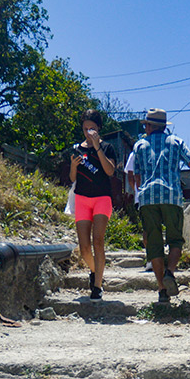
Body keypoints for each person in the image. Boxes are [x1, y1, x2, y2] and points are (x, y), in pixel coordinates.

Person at [131, 108, 190, 302]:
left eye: (146, 125)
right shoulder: (176, 142)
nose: (145, 128)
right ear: (164, 126)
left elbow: (136, 176)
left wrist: (143, 195)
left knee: (154, 244)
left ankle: (162, 290)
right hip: (171, 196)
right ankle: (170, 272)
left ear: (150, 126)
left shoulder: (139, 145)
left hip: (148, 198)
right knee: (175, 240)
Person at [68, 109, 117, 299]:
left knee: (98, 241)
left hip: (102, 198)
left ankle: (97, 286)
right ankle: (96, 272)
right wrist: (73, 166)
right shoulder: (76, 148)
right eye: (85, 128)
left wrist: (97, 147)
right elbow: (72, 178)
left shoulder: (107, 147)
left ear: (99, 128)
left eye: (92, 128)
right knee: (84, 248)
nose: (88, 132)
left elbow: (110, 171)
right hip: (82, 198)